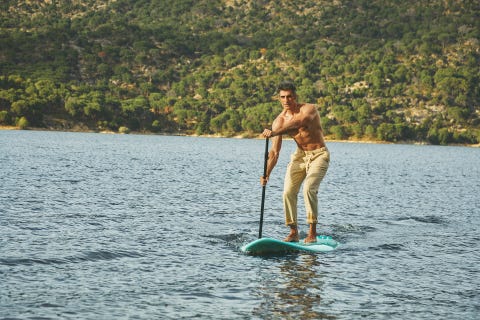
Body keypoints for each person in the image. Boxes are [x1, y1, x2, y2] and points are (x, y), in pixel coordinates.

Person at [261, 81, 330, 243]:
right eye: (282, 97)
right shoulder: (279, 121)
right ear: (279, 98)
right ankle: (294, 232)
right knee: (287, 192)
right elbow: (274, 152)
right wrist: (266, 174)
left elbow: (300, 123)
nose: (286, 100)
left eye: (289, 96)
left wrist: (274, 132)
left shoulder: (309, 109)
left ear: (295, 96)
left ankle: (312, 233)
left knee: (308, 189)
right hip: (299, 156)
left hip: (319, 155)